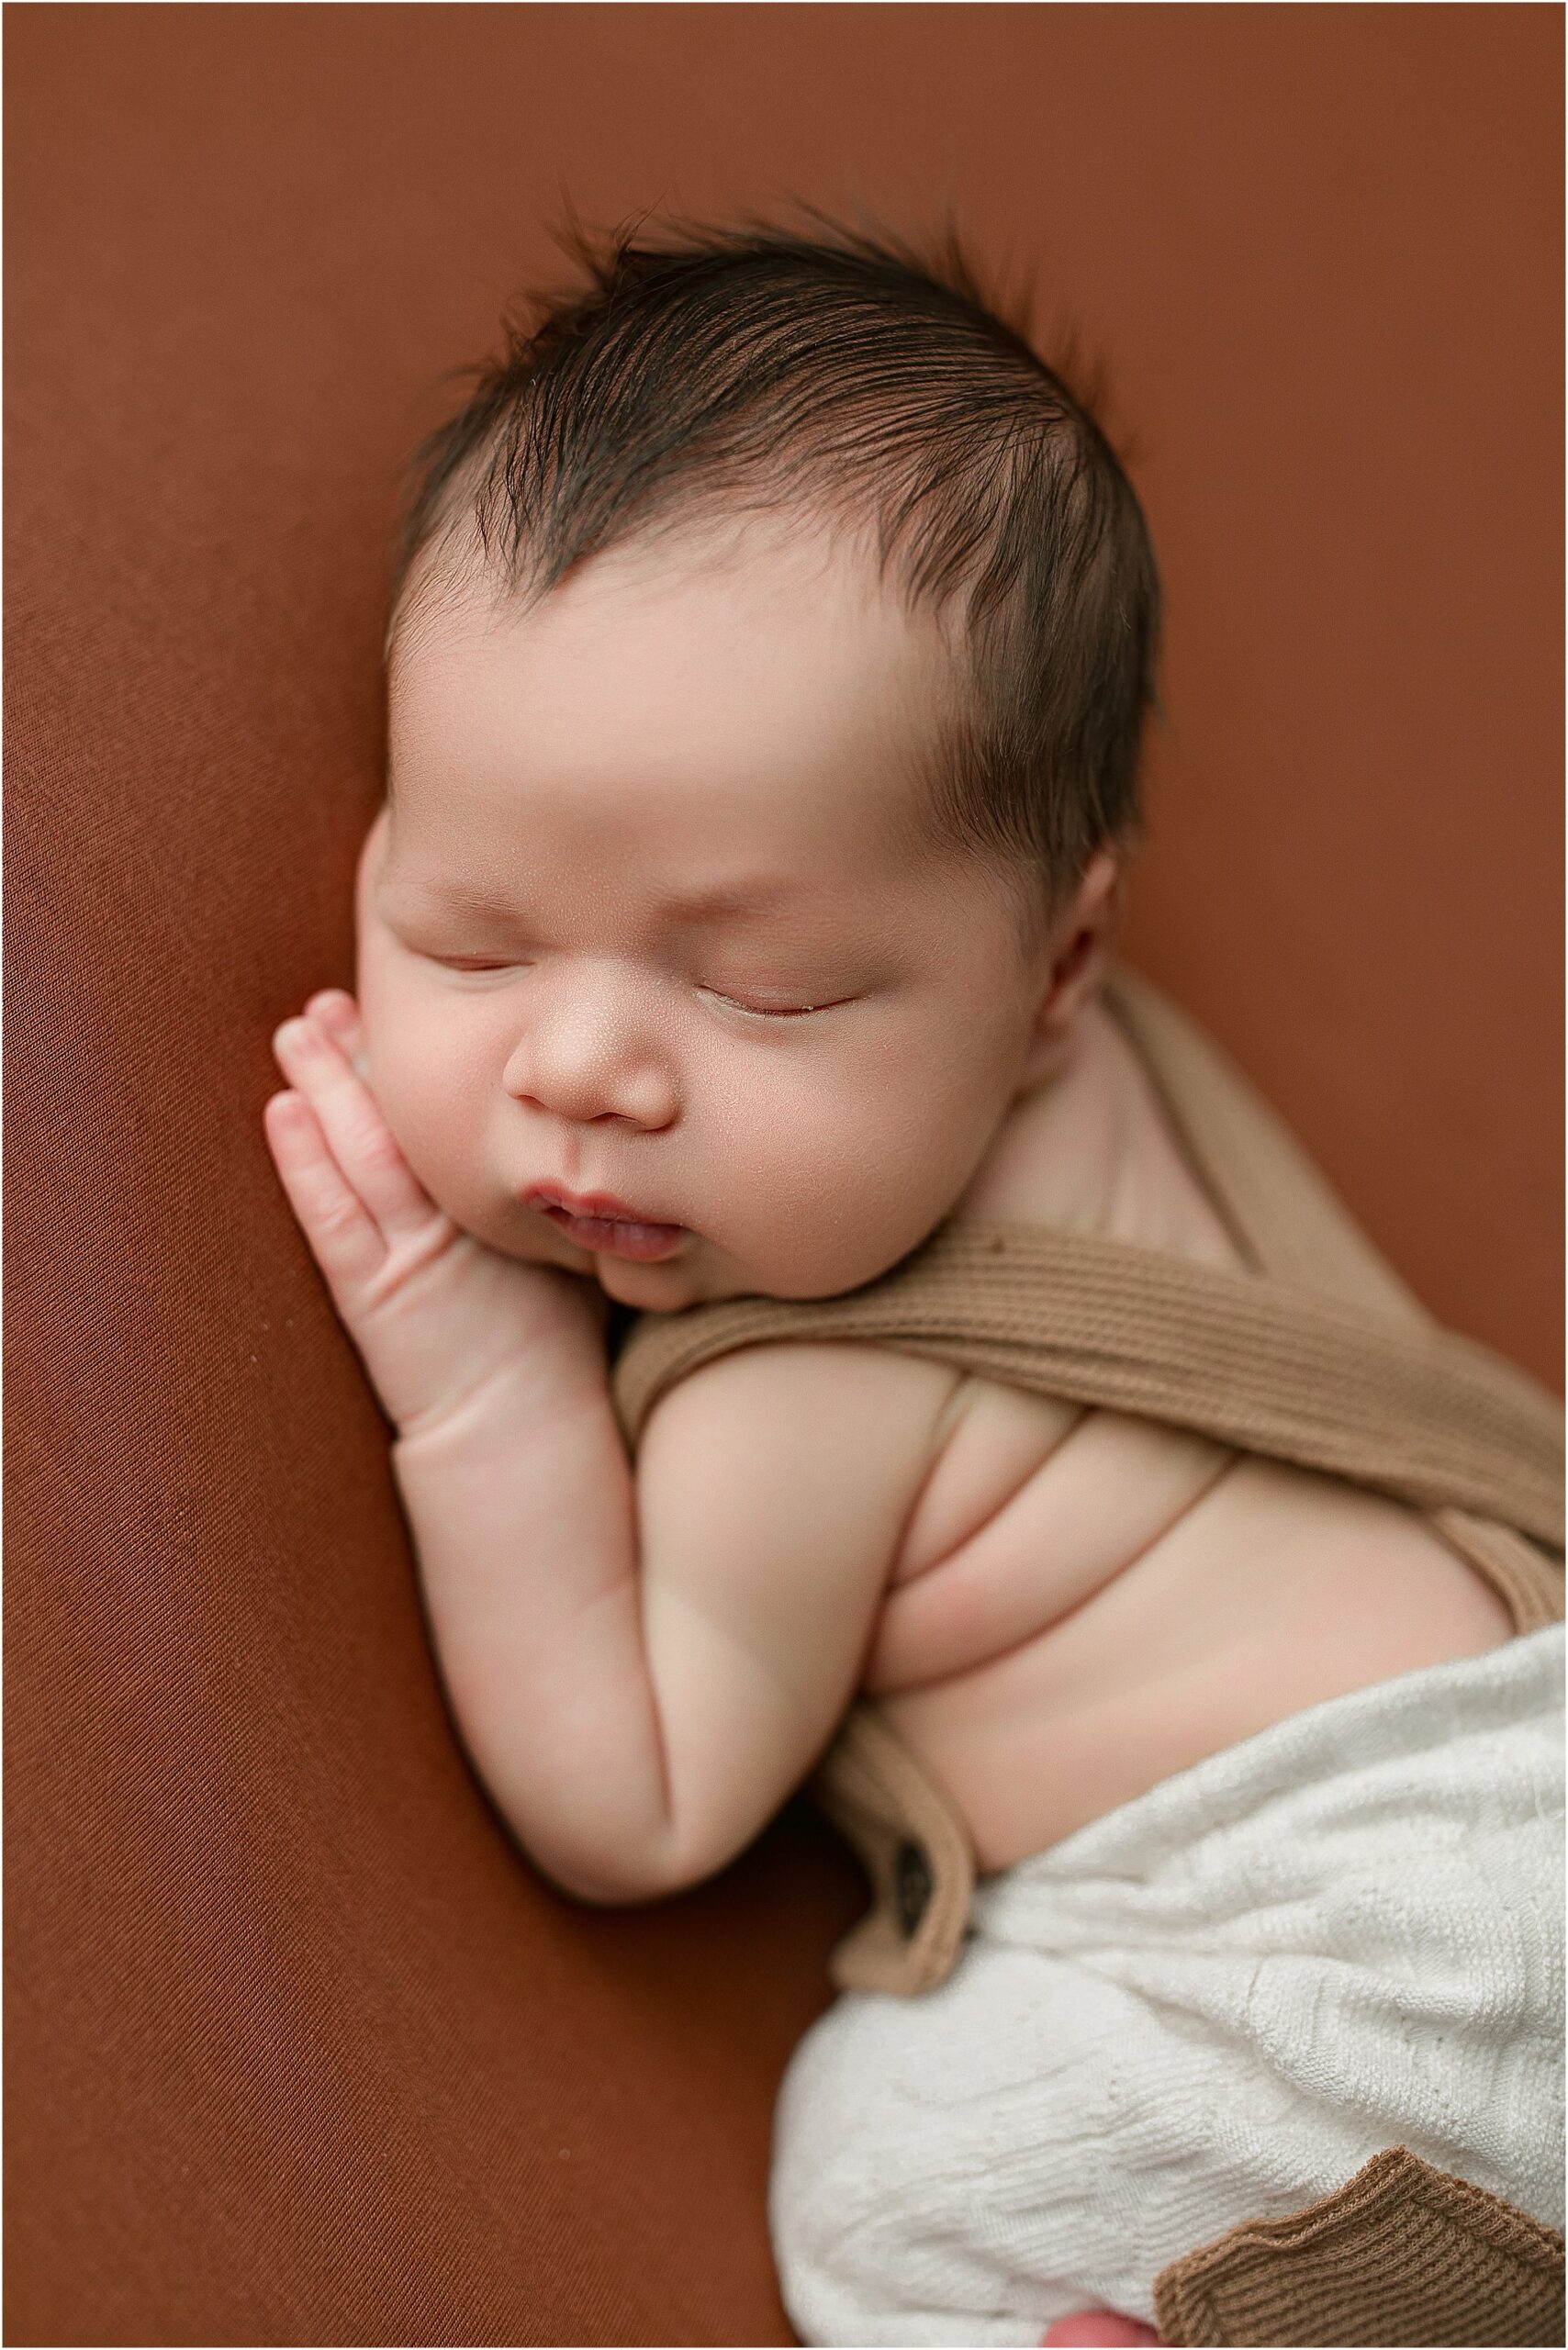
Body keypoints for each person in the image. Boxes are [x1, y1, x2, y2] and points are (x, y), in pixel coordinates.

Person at [262, 214, 1562, 2346]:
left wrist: (480, 1382)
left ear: (1051, 968)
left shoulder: (810, 1384)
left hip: (1358, 1949)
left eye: (761, 990)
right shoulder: (1102, 1065)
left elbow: (638, 1797)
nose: (578, 1067)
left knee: (872, 2184)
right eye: (471, 937)